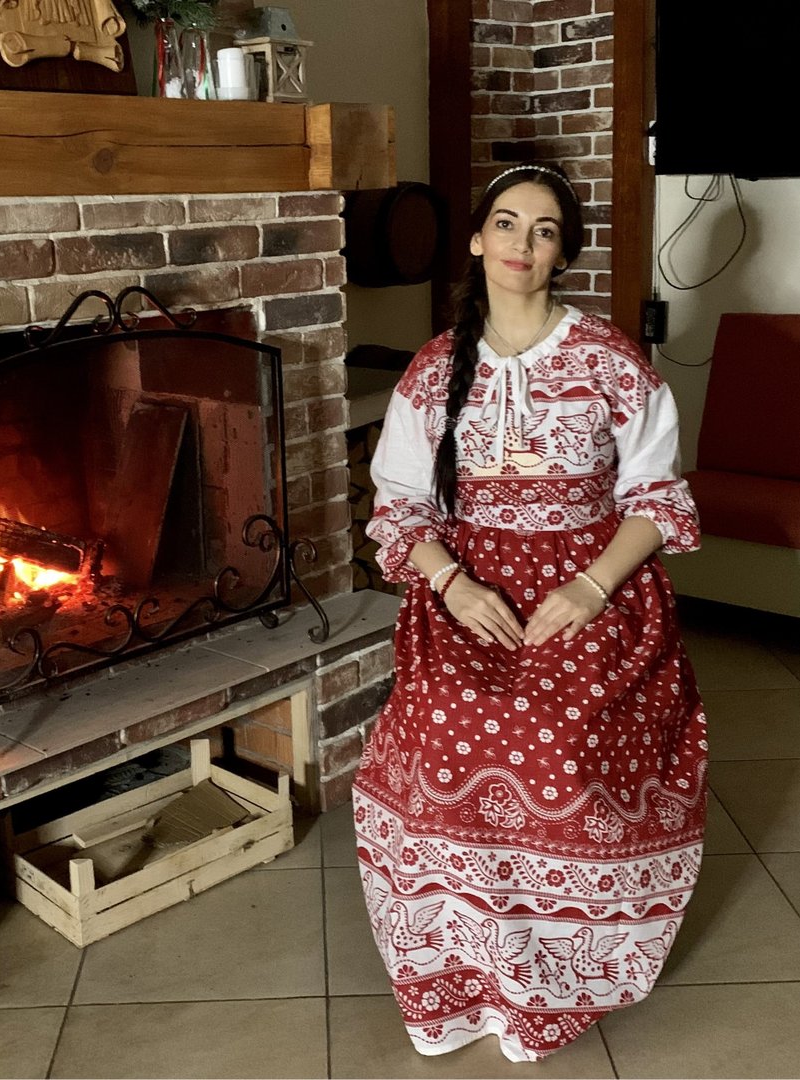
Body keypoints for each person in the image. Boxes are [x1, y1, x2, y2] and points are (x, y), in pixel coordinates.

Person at [353, 162, 707, 1061]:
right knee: (445, 723)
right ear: (477, 240)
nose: (521, 243)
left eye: (543, 230)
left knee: (553, 736)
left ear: (562, 253)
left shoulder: (610, 360)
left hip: (592, 588)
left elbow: (656, 499)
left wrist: (589, 587)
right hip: (466, 590)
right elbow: (399, 506)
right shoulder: (433, 370)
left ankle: (548, 980)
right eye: (505, 224)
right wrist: (451, 583)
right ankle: (460, 973)